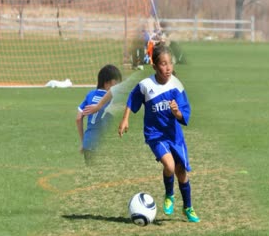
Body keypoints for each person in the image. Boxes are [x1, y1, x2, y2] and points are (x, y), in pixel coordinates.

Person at [84, 43, 200, 223]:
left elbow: (184, 114)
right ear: (154, 66)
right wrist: (125, 119)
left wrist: (176, 112)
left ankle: (188, 207)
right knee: (169, 166)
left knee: (182, 172)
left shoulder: (177, 86)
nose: (168, 67)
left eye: (170, 63)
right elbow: (132, 99)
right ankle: (169, 195)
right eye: (163, 64)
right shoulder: (146, 85)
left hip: (174, 135)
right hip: (155, 135)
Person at [76, 64, 122, 165]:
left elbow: (79, 118)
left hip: (88, 143)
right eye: (116, 83)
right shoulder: (114, 97)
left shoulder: (90, 95)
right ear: (107, 84)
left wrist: (83, 141)